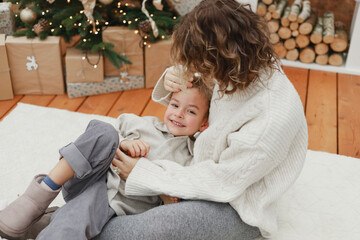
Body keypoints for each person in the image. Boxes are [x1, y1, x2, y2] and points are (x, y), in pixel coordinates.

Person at [95, 0, 308, 239]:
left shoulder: (269, 119)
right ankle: (71, 221)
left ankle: (72, 230)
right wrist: (176, 78)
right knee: (114, 164)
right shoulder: (242, 65)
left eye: (201, 65)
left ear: (222, 58)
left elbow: (223, 181)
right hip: (200, 165)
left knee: (158, 228)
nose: (197, 70)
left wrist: (145, 174)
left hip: (237, 201)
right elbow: (199, 99)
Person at [0, 79, 211, 240]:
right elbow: (103, 138)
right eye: (174, 105)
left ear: (204, 124)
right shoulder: (144, 124)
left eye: (191, 111)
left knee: (74, 219)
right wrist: (123, 143)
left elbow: (179, 199)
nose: (179, 114)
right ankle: (33, 199)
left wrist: (164, 192)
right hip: (90, 175)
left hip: (113, 203)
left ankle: (44, 222)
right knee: (104, 132)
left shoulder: (190, 158)